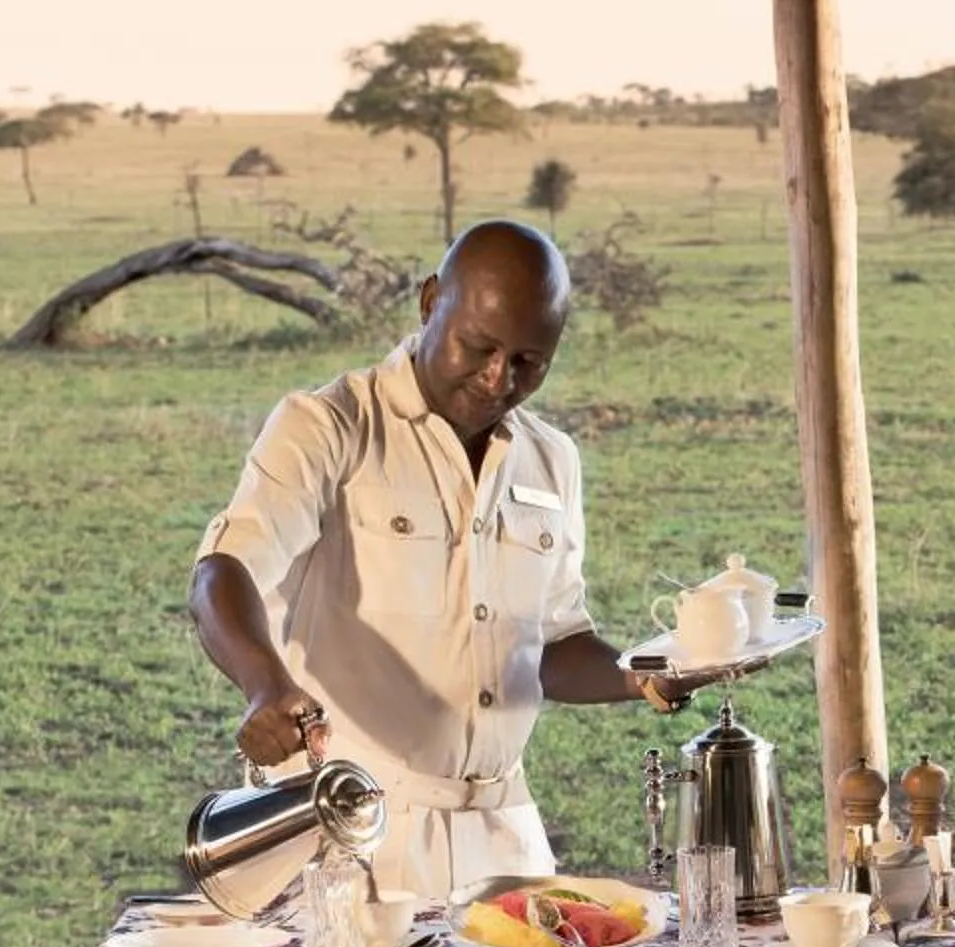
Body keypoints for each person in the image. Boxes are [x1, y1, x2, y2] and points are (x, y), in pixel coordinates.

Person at [190, 219, 684, 897]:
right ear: (430, 303)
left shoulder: (552, 459)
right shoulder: (331, 425)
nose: (495, 378)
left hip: (507, 841)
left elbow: (550, 647)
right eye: (478, 346)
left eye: (527, 362)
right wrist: (264, 683)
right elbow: (225, 569)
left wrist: (646, 674)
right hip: (353, 836)